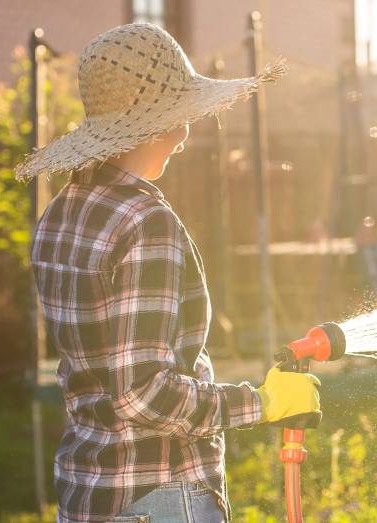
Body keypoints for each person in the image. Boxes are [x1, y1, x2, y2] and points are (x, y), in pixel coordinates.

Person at [17, 23, 318, 523]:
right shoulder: (145, 221)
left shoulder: (61, 213)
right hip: (159, 498)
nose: (186, 134)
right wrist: (262, 402)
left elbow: (105, 377)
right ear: (162, 124)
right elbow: (142, 393)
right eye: (185, 115)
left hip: (87, 492)